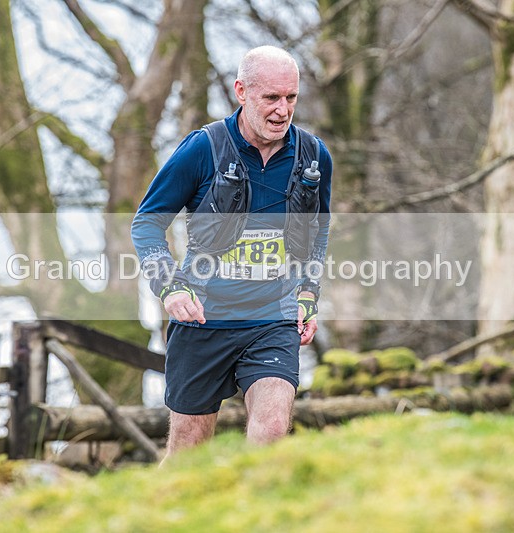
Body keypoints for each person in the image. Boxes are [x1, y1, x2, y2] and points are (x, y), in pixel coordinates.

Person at [131, 45, 332, 462]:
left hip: (271, 318)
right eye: (271, 98)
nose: (282, 110)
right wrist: (168, 286)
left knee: (273, 430)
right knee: (187, 455)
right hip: (204, 317)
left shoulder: (314, 157)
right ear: (241, 91)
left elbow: (318, 233)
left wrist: (309, 294)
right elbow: (147, 223)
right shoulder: (204, 148)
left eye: (291, 98)